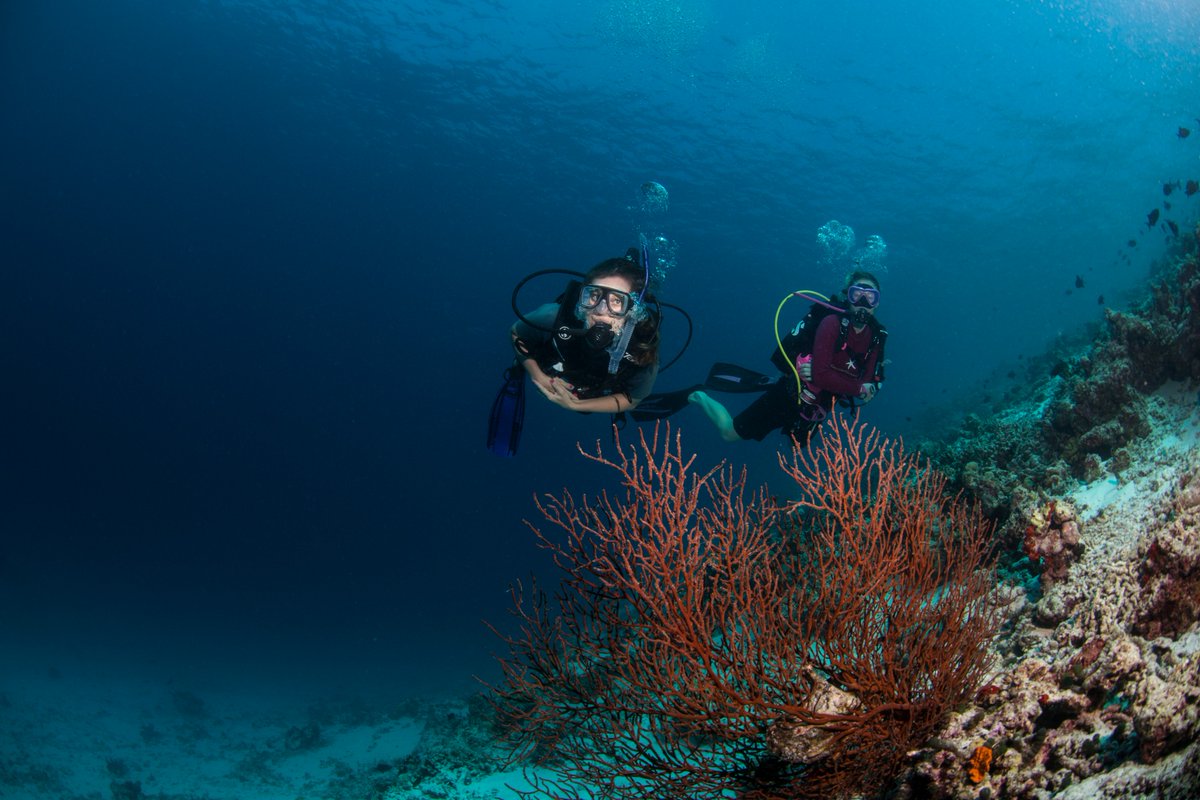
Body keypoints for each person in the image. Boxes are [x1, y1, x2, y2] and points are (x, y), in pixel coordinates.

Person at [636, 270, 886, 446]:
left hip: (818, 406)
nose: (863, 302)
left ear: (877, 302)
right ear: (847, 297)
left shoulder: (877, 336)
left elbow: (872, 379)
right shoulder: (830, 322)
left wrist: (872, 385)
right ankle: (699, 396)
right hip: (789, 395)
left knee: (798, 446)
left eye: (871, 296)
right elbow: (814, 370)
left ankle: (764, 383)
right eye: (857, 294)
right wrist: (852, 385)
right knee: (729, 433)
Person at [488, 249, 662, 456]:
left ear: (633, 311)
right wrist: (538, 376)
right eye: (594, 296)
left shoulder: (642, 350)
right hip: (552, 368)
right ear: (582, 298)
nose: (601, 309)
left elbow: (632, 399)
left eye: (617, 301)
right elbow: (516, 332)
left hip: (597, 390)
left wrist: (576, 404)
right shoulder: (553, 318)